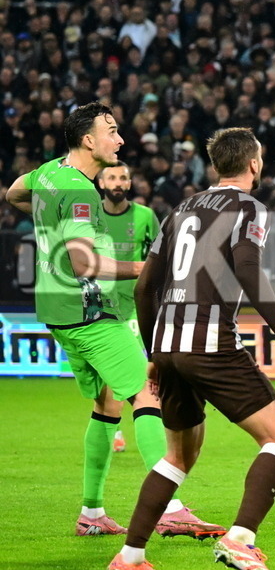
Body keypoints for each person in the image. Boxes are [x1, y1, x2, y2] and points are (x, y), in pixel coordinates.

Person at [106, 127, 275, 570]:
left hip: (168, 341)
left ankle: (130, 558)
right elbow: (246, 268)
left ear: (215, 166)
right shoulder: (249, 208)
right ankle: (241, 540)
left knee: (178, 456)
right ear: (254, 164)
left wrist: (155, 353)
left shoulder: (180, 209)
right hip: (210, 341)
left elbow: (146, 287)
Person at [5, 102, 222, 539]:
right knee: (148, 390)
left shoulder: (48, 173)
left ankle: (92, 511)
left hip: (56, 311)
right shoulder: (82, 192)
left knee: (107, 405)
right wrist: (149, 268)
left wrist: (48, 226)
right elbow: (85, 263)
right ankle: (170, 507)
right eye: (112, 131)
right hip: (88, 312)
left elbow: (12, 193)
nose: (120, 140)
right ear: (89, 140)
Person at [97, 161, 161, 452]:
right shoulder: (89, 216)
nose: (118, 183)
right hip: (98, 308)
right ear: (101, 183)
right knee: (105, 379)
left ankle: (149, 423)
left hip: (134, 307)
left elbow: (159, 257)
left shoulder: (146, 216)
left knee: (138, 372)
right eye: (112, 177)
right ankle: (117, 426)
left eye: (123, 177)